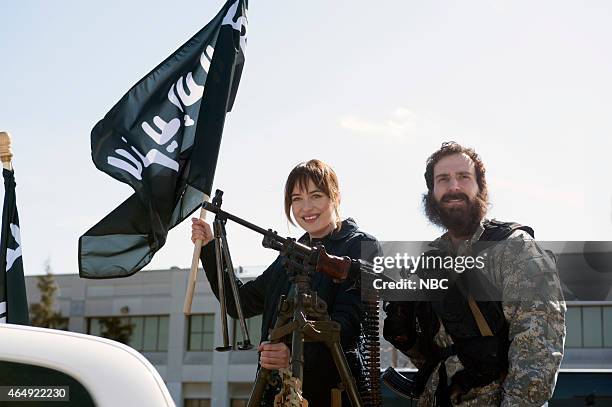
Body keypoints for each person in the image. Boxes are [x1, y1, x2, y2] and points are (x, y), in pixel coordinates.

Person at [383, 142, 566, 406]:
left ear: (480, 187)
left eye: (464, 177)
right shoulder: (431, 260)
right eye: (443, 179)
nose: (453, 187)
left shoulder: (514, 248)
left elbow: (538, 352)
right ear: (431, 193)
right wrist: (408, 337)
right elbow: (439, 356)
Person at [192, 159, 381, 406]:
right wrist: (209, 247)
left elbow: (347, 326)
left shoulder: (362, 245)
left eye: (316, 196)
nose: (306, 207)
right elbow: (241, 303)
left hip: (333, 394)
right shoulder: (291, 254)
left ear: (335, 196)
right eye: (297, 199)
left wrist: (293, 355)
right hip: (277, 395)